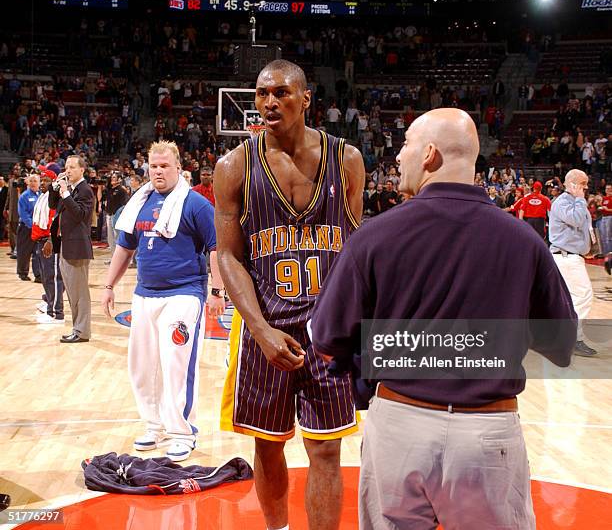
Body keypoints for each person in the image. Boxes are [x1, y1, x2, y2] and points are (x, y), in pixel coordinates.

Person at [310, 108, 577, 530]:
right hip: (488, 433)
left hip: (399, 425)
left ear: (430, 154)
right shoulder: (524, 241)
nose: (398, 156)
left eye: (406, 146)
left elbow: (326, 338)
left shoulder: (374, 236)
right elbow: (562, 344)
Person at [215, 59, 365, 530]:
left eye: (280, 93)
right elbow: (228, 256)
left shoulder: (348, 159)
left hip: (329, 331)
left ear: (306, 98)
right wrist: (259, 331)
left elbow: (356, 245)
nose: (268, 103)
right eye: (261, 94)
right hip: (266, 326)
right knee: (267, 442)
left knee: (326, 448)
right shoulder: (234, 165)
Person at [102, 140, 225, 462]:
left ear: (178, 168)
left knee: (175, 364)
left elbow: (217, 248)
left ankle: (183, 432)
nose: (158, 171)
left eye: (164, 166)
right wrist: (108, 285)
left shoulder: (196, 205)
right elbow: (124, 248)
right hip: (144, 293)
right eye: (153, 166)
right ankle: (153, 426)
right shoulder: (138, 203)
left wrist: (217, 291)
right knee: (141, 367)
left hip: (184, 293)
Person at [549, 169, 598, 358]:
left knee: (569, 299)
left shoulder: (574, 202)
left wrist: (590, 249)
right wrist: (580, 199)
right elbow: (577, 220)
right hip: (566, 257)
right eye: (583, 184)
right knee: (584, 296)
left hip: (571, 256)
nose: (586, 188)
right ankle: (573, 339)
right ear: (573, 184)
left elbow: (585, 227)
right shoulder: (562, 202)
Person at [49, 155, 94, 343]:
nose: (67, 170)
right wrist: (54, 190)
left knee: (80, 294)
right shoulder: (70, 188)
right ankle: (77, 329)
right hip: (65, 247)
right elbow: (53, 206)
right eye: (66, 167)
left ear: (82, 170)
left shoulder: (85, 190)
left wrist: (66, 194)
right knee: (72, 293)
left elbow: (80, 215)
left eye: (72, 167)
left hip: (77, 249)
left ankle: (82, 332)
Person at [33, 170, 65, 324]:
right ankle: (49, 303)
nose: (42, 183)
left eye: (46, 180)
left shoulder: (53, 199)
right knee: (46, 276)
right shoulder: (42, 197)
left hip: (49, 240)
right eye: (42, 180)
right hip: (40, 239)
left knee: (52, 277)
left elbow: (55, 222)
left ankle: (55, 313)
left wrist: (51, 241)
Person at [16, 174, 41, 282]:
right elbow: (23, 214)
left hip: (38, 228)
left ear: (39, 183)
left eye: (35, 181)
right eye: (31, 181)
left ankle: (38, 274)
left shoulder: (40, 195)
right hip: (26, 228)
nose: (33, 183)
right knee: (24, 252)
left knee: (37, 252)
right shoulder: (24, 196)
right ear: (28, 183)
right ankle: (23, 272)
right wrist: (32, 225)